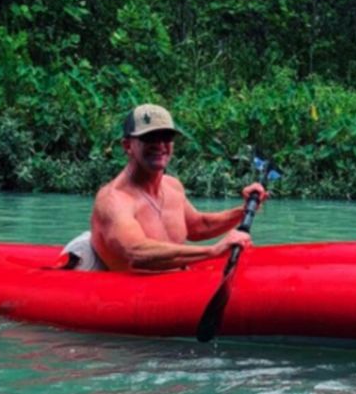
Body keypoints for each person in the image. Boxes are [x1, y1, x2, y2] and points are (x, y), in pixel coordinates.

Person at [62, 104, 266, 272]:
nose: (160, 145)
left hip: (172, 278)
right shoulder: (114, 200)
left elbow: (198, 226)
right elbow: (137, 253)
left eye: (166, 137)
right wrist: (213, 251)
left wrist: (245, 209)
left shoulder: (172, 186)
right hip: (132, 291)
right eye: (150, 137)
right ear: (127, 146)